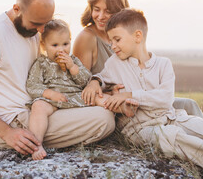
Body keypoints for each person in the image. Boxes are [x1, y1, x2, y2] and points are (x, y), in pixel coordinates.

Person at [85, 8, 203, 177]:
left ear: (137, 36)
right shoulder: (114, 63)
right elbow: (102, 78)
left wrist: (130, 94)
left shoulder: (163, 64)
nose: (112, 45)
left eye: (117, 39)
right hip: (140, 129)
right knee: (175, 138)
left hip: (172, 118)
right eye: (110, 41)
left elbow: (165, 98)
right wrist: (95, 81)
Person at [0, 0, 115, 156]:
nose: (42, 30)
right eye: (36, 23)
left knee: (104, 108)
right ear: (17, 9)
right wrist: (6, 133)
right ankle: (31, 143)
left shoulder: (34, 32)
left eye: (46, 22)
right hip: (17, 122)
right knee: (104, 119)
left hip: (41, 110)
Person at [73, 0, 203, 118]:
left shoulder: (126, 37)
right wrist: (107, 90)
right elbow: (81, 84)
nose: (100, 16)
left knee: (189, 105)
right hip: (116, 104)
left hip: (137, 96)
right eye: (96, 9)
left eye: (108, 11)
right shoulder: (86, 38)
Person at [26, 19, 138, 160]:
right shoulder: (41, 64)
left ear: (70, 42)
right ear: (43, 45)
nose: (61, 49)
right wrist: (50, 94)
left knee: (97, 96)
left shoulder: (73, 60)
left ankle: (122, 107)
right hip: (52, 100)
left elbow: (86, 80)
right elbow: (32, 85)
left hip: (75, 96)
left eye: (65, 44)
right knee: (38, 106)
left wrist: (73, 68)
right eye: (54, 45)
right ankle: (36, 144)